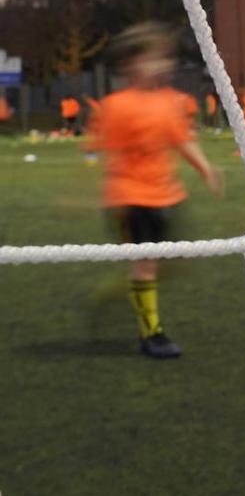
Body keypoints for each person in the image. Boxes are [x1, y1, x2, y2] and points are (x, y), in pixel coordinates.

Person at [87, 22, 222, 359]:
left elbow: (182, 139)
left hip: (168, 196)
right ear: (131, 65)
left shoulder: (169, 101)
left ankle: (115, 290)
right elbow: (110, 156)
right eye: (152, 58)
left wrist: (205, 168)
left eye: (164, 58)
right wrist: (113, 202)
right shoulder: (117, 106)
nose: (161, 65)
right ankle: (152, 335)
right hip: (133, 198)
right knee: (146, 264)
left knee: (168, 263)